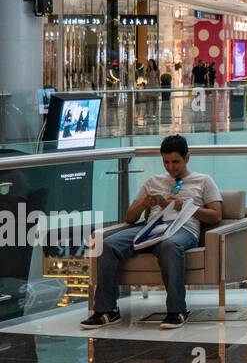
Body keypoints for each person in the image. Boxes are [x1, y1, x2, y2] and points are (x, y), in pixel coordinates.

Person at [81, 135, 223, 330]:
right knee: (107, 245)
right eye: (166, 162)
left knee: (169, 245)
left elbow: (216, 216)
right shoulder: (153, 181)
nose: (171, 167)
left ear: (187, 157)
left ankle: (177, 310)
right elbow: (130, 218)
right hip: (151, 228)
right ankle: (106, 310)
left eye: (176, 162)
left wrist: (186, 207)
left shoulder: (204, 181)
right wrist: (143, 204)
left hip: (183, 229)